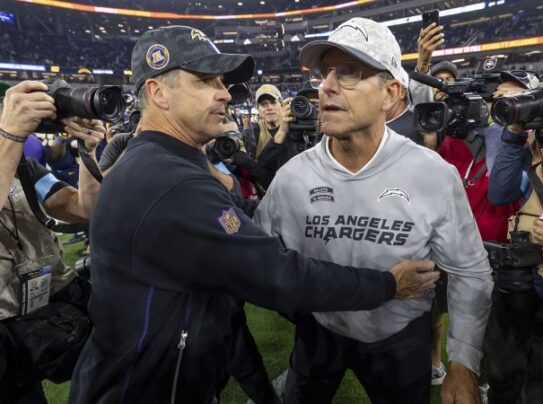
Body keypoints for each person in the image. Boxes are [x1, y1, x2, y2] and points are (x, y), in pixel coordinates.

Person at [69, 25, 440, 404]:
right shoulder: (170, 182)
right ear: (158, 92)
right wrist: (388, 285)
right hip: (142, 389)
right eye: (205, 80)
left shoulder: (170, 166)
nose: (224, 93)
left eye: (222, 81)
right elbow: (277, 274)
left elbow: (221, 303)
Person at [254, 17, 492, 404]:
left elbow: (470, 271)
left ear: (391, 93)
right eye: (325, 72)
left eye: (350, 72)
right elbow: (259, 259)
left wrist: (463, 362)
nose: (326, 85)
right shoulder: (291, 177)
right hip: (319, 331)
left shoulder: (433, 174)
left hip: (400, 339)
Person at [0, 80, 104, 402]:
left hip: (27, 319)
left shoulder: (23, 167)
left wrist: (86, 153)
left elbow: (85, 209)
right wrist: (10, 137)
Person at [485, 69, 543, 404]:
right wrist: (515, 130)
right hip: (523, 266)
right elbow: (499, 193)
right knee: (503, 367)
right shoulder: (537, 139)